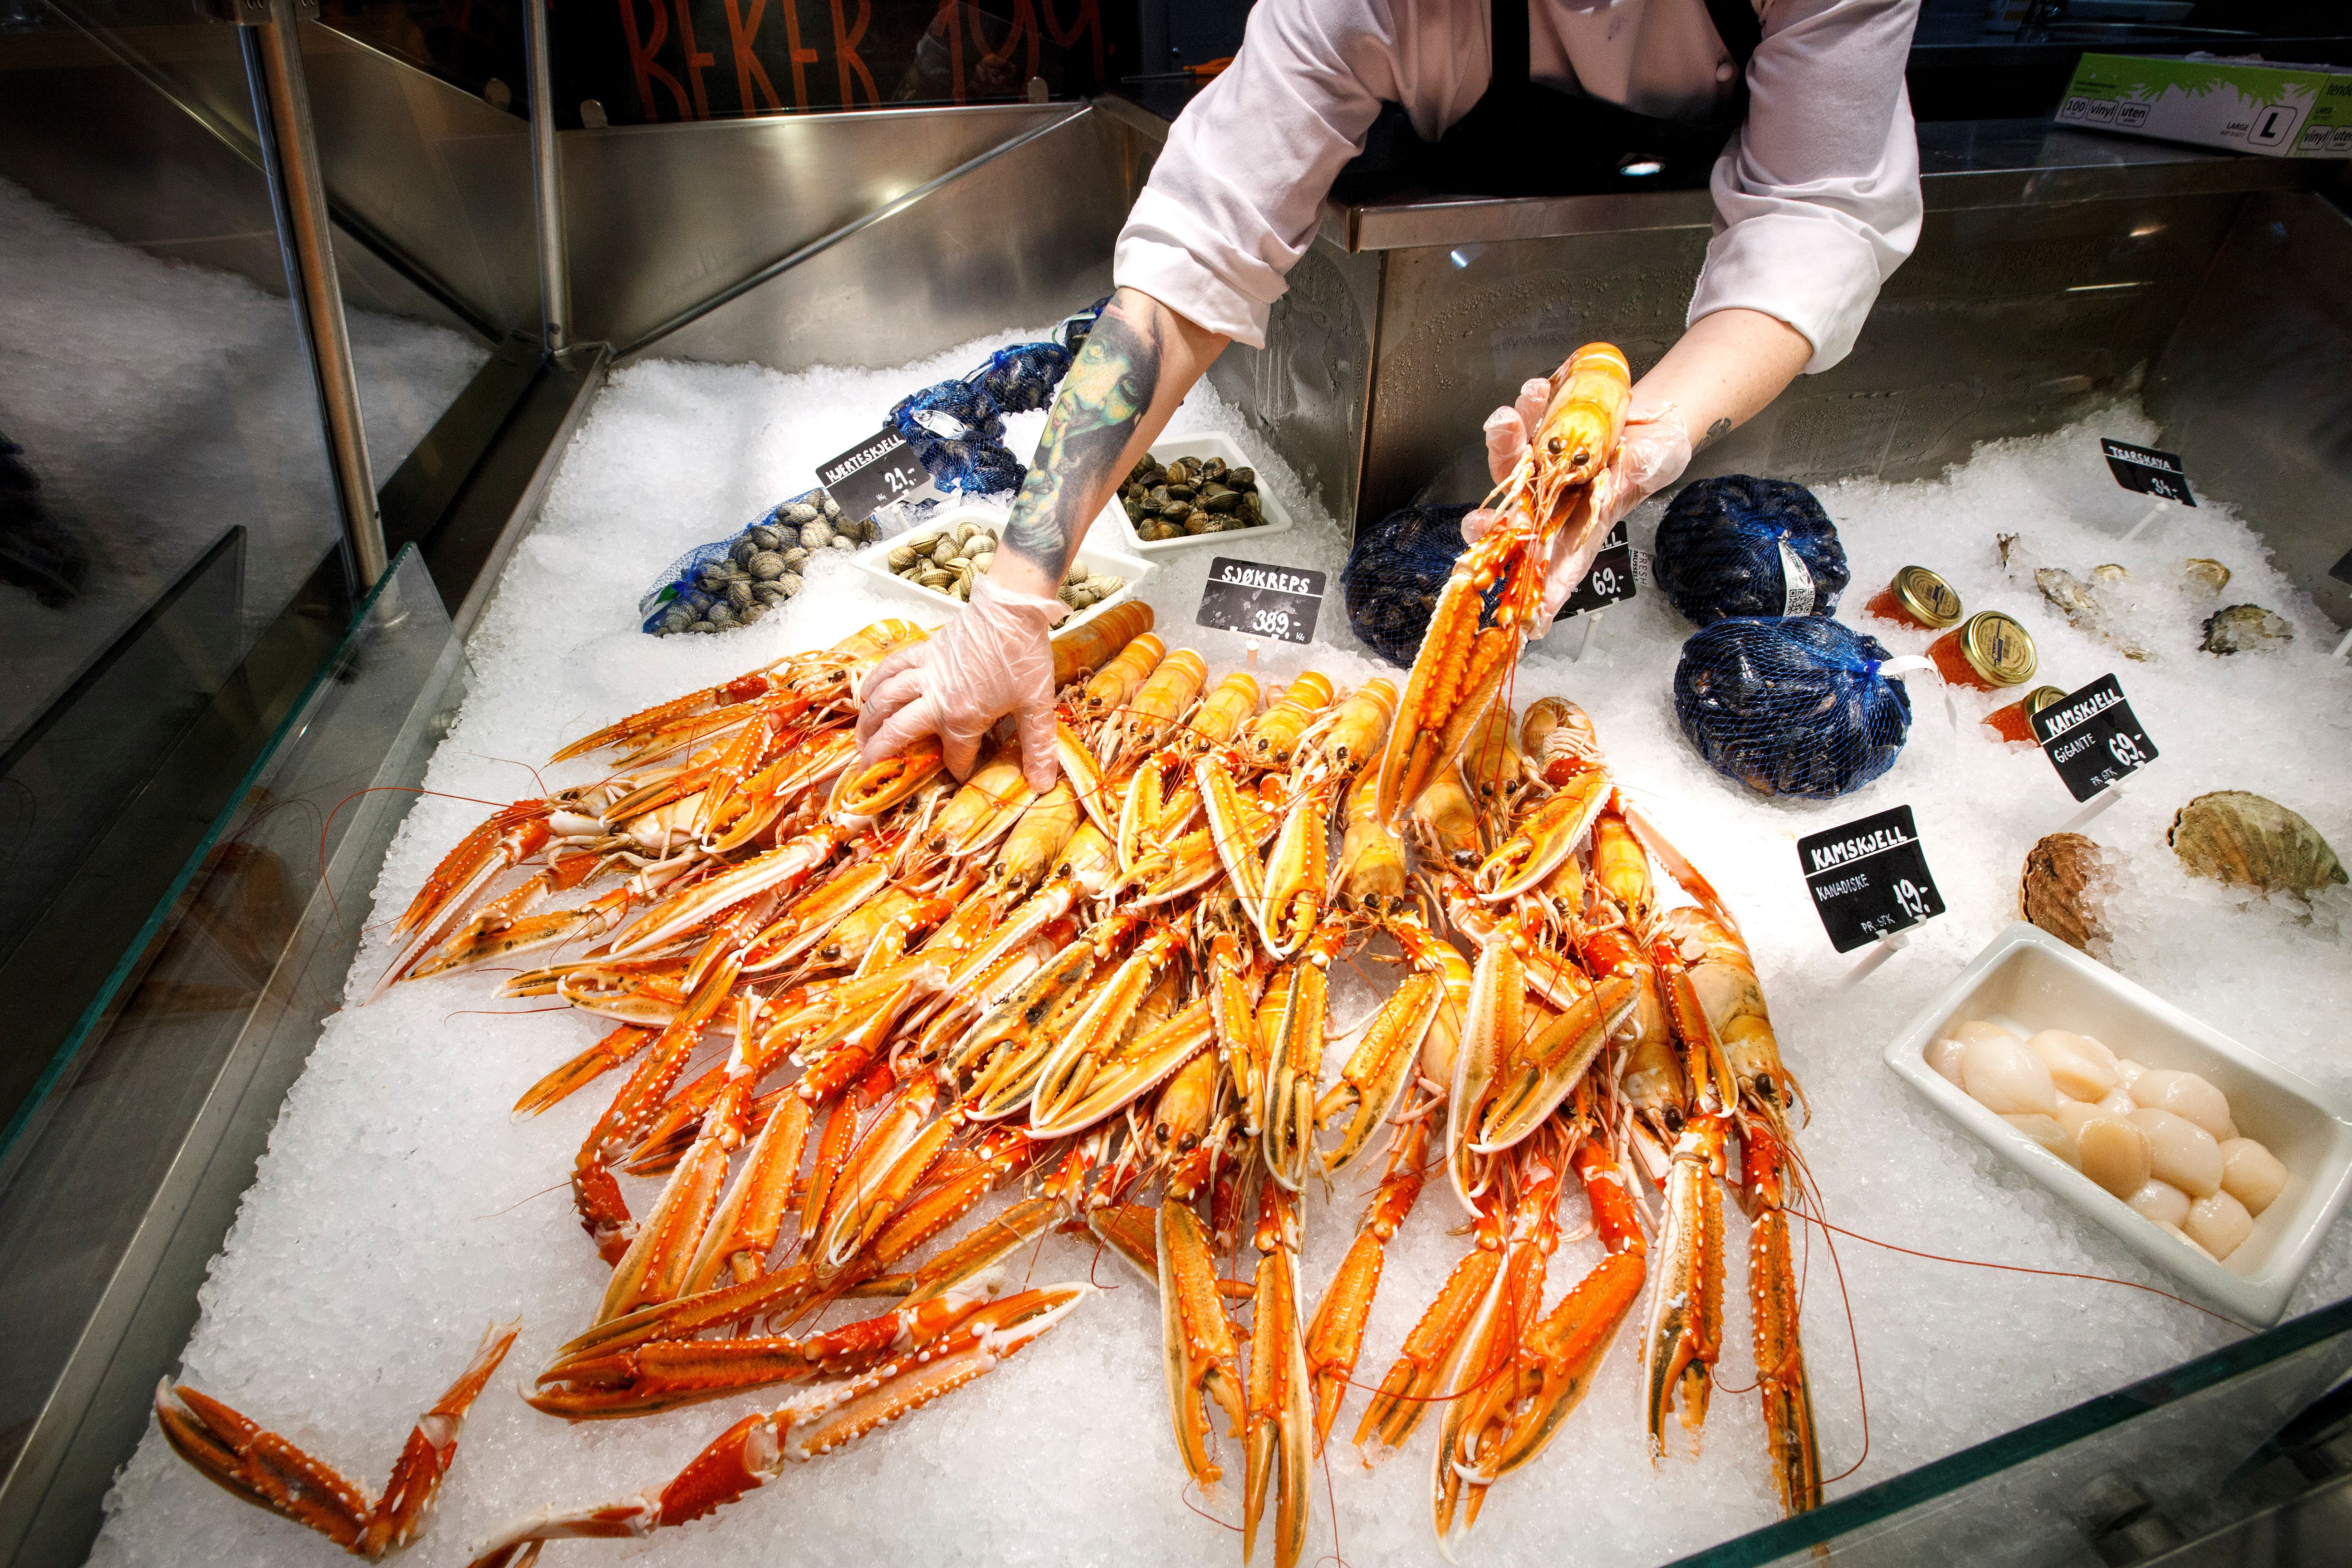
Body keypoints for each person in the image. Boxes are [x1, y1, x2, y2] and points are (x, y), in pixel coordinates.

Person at [859, 0, 1923, 791]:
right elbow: (1191, 265)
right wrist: (1015, 591)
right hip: (1440, 310)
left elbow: (1817, 220)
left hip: (1699, 342)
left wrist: (1651, 438)